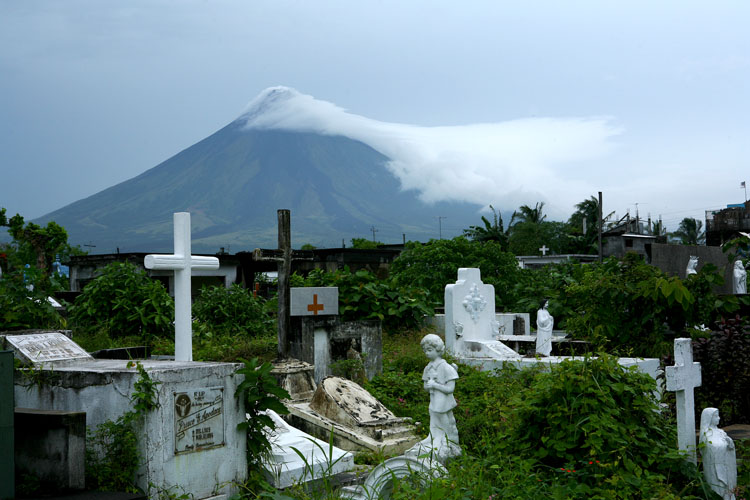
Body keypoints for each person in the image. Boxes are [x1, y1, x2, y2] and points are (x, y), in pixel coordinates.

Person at [406, 334, 460, 462]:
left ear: (438, 350)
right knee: (434, 419)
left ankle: (449, 441)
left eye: (430, 350)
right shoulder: (428, 367)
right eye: (425, 351)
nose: (427, 353)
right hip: (434, 400)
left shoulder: (446, 367)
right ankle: (434, 437)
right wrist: (430, 385)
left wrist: (435, 385)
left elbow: (450, 389)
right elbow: (425, 386)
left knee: (445, 420)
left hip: (443, 402)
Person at [700, 407, 737, 500]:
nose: (719, 418)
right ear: (709, 418)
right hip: (714, 468)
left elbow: (730, 448)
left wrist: (730, 443)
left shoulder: (721, 432)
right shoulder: (705, 433)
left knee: (727, 491)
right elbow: (707, 448)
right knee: (717, 489)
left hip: (725, 466)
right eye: (716, 416)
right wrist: (721, 446)